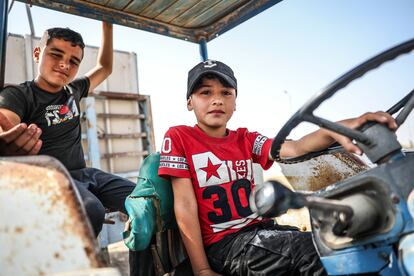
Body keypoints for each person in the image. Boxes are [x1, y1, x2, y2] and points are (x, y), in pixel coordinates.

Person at [158, 59, 398, 275]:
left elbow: (296, 148)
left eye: (226, 92)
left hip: (261, 231)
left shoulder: (245, 138)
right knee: (317, 254)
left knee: (341, 238)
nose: (217, 99)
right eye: (205, 92)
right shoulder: (179, 137)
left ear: (235, 102)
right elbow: (185, 205)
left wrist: (343, 127)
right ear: (190, 102)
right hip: (225, 245)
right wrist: (201, 269)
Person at [0, 22, 136, 237]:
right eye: (56, 55)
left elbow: (105, 68)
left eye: (73, 61)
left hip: (85, 173)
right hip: (51, 178)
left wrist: (107, 25)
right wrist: (5, 143)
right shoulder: (18, 95)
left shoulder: (74, 90)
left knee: (146, 201)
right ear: (37, 53)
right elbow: (5, 127)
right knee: (90, 210)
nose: (64, 65)